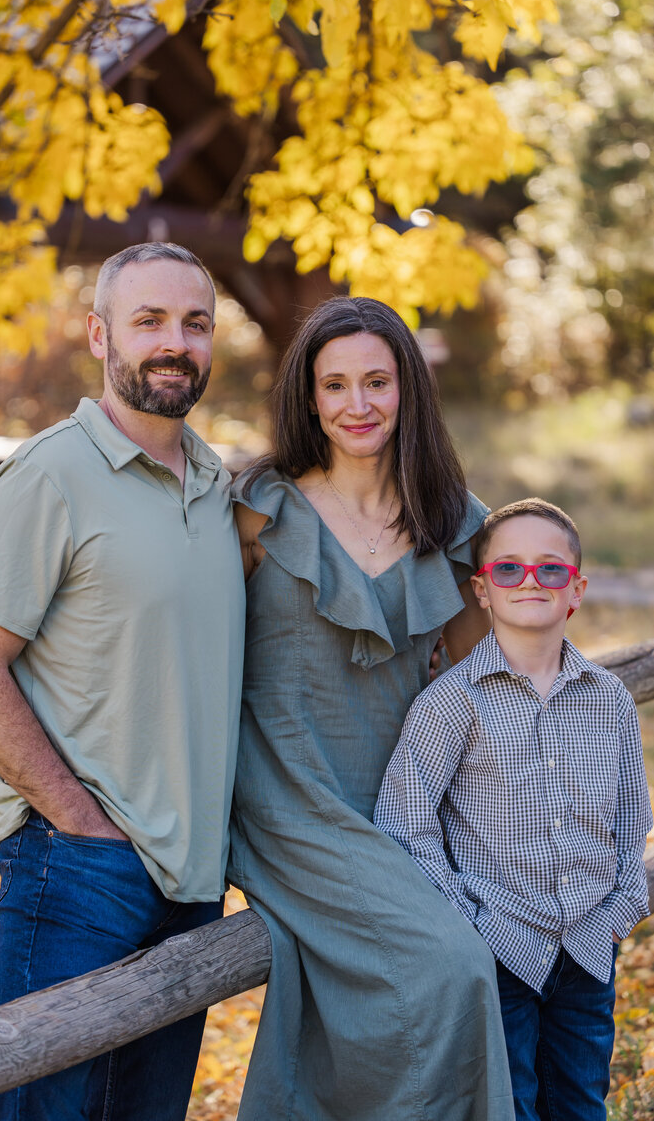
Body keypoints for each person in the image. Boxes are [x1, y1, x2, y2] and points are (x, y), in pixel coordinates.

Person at [0, 242, 246, 1121]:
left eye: (194, 323)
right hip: (79, 869)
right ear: (99, 333)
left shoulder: (219, 485)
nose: (173, 343)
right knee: (47, 1114)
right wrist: (77, 817)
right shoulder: (49, 476)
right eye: (148, 320)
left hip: (191, 879)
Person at [230, 295, 516, 1121]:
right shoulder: (259, 509)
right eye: (336, 385)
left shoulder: (457, 524)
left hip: (401, 800)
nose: (358, 405)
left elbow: (476, 684)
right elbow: (198, 652)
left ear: (408, 391)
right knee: (454, 964)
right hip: (287, 796)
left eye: (378, 382)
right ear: (308, 398)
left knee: (443, 966)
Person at [374, 498, 653, 1121]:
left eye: (551, 569)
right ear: (482, 590)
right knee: (511, 1107)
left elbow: (632, 818)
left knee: (582, 1102)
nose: (530, 581)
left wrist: (621, 907)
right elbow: (404, 819)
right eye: (508, 570)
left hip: (588, 946)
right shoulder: (452, 704)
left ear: (576, 589)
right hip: (499, 949)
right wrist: (466, 920)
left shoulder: (609, 701)